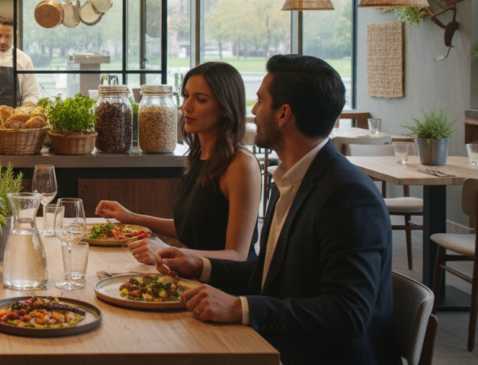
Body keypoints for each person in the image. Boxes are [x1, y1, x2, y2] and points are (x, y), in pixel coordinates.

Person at [155, 55, 399, 365]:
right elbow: (270, 276)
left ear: (283, 114)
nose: (253, 111)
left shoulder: (346, 194)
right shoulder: (289, 178)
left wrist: (241, 308)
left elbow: (347, 313)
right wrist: (200, 265)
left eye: (260, 101)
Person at [96, 61, 260, 264]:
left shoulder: (241, 164)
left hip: (225, 288)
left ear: (226, 108)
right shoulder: (200, 156)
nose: (186, 107)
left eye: (200, 99)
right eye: (185, 95)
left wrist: (167, 250)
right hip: (193, 278)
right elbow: (192, 226)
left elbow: (237, 255)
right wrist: (132, 218)